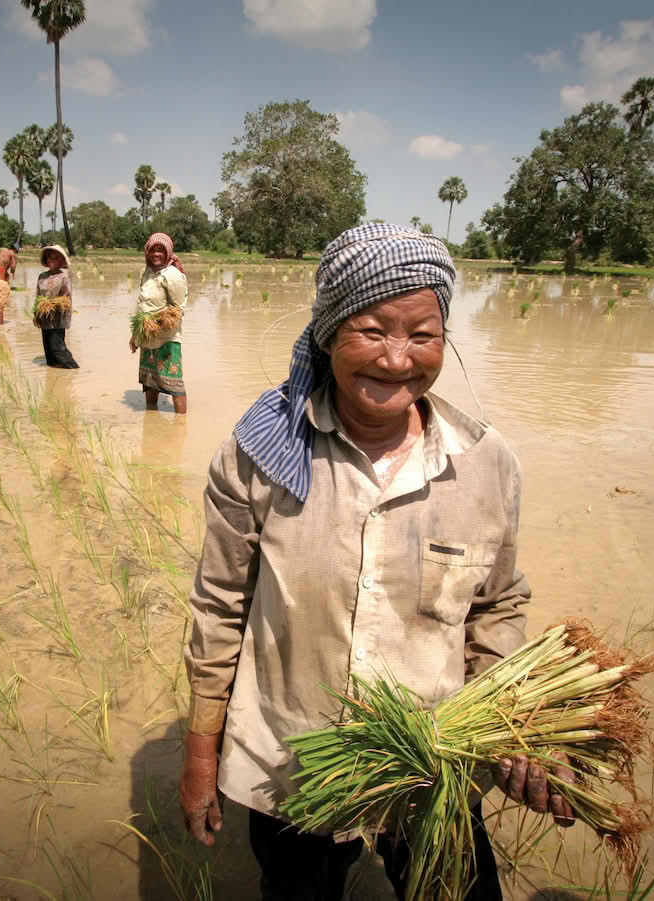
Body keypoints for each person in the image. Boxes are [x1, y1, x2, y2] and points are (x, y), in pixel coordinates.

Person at [179, 224, 573, 901]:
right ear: (329, 332)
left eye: (422, 336)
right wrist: (200, 753)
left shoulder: (485, 463)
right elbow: (219, 606)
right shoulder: (259, 456)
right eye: (371, 331)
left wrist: (514, 727)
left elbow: (498, 605)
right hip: (292, 763)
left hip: (433, 763)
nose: (397, 360)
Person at [130, 232, 188, 414]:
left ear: (168, 252)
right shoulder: (146, 272)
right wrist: (136, 334)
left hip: (166, 338)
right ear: (147, 252)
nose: (156, 254)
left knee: (174, 383)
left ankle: (181, 423)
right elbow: (141, 305)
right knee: (150, 381)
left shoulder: (173, 275)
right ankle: (151, 420)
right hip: (147, 336)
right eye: (153, 250)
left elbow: (178, 309)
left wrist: (157, 324)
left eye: (161, 251)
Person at [33, 244, 78, 369]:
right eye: (49, 258)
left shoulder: (64, 277)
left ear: (61, 261)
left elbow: (66, 298)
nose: (52, 261)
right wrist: (36, 314)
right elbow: (37, 296)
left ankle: (73, 369)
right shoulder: (42, 277)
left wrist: (51, 304)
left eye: (55, 258)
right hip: (44, 317)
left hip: (57, 318)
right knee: (49, 352)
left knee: (57, 348)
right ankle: (55, 376)